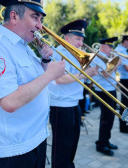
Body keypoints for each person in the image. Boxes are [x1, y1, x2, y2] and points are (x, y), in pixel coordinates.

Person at [0, 0, 65, 168]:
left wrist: (45, 62)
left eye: (41, 19)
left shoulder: (22, 46)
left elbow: (33, 83)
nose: (40, 26)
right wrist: (51, 75)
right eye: (35, 17)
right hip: (17, 150)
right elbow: (10, 101)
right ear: (14, 16)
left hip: (37, 138)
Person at [48, 20, 98, 168]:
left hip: (74, 104)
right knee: (61, 149)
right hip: (60, 106)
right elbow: (60, 80)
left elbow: (77, 77)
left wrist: (90, 73)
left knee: (71, 146)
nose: (81, 43)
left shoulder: (77, 54)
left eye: (82, 39)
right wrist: (84, 74)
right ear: (67, 38)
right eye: (78, 39)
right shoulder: (58, 53)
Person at [92, 37, 120, 156]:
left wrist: (114, 62)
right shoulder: (97, 57)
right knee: (106, 118)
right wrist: (117, 63)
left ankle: (106, 140)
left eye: (112, 46)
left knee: (110, 118)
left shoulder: (107, 57)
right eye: (109, 46)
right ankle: (101, 144)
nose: (111, 49)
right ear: (102, 46)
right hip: (103, 90)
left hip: (110, 89)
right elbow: (105, 74)